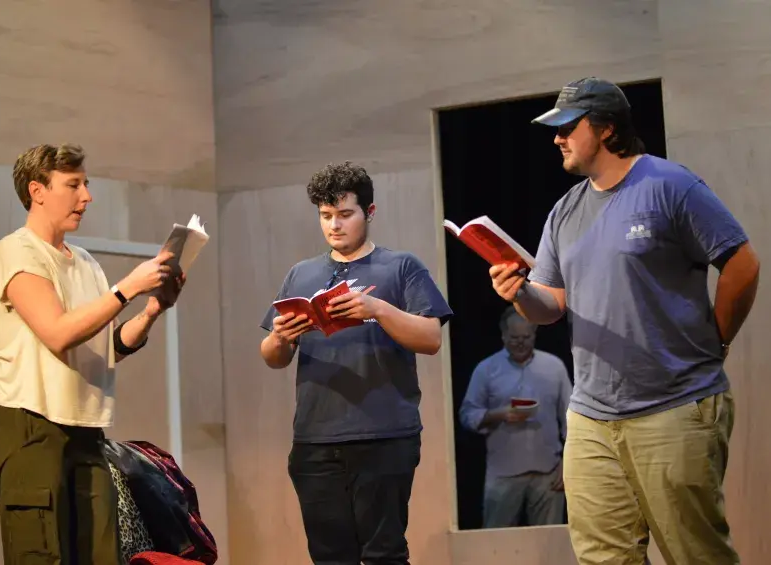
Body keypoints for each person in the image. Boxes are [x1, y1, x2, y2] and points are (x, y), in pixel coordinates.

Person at [488, 77, 760, 565]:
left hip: (674, 406)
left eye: (568, 127)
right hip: (591, 417)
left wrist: (716, 341)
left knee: (695, 554)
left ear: (606, 128)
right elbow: (552, 306)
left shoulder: (670, 186)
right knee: (604, 558)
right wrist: (520, 293)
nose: (557, 138)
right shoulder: (564, 211)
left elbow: (742, 265)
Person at [0, 143, 185, 565]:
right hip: (31, 426)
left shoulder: (87, 262)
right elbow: (58, 334)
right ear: (37, 191)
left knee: (101, 553)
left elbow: (108, 346)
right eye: (73, 185)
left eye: (86, 184)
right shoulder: (17, 251)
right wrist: (127, 287)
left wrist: (152, 309)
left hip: (86, 432)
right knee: (42, 554)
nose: (87, 196)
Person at [259, 161, 453, 565]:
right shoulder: (301, 273)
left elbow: (431, 338)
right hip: (315, 439)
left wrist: (376, 308)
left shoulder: (401, 266)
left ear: (370, 212)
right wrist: (280, 337)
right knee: (329, 557)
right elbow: (274, 357)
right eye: (326, 215)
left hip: (384, 435)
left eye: (345, 214)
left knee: (384, 555)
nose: (334, 225)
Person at [459, 306, 570, 528]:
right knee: (497, 543)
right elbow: (467, 415)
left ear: (535, 334)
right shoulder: (486, 369)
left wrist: (567, 463)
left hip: (548, 473)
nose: (520, 343)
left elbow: (572, 419)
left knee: (548, 542)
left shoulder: (554, 367)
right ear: (503, 335)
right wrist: (497, 414)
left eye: (526, 337)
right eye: (514, 338)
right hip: (503, 475)